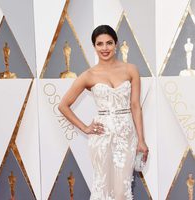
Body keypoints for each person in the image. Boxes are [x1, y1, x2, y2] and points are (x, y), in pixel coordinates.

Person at [58, 25, 149, 200]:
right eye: (100, 44)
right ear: (94, 47)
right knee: (103, 187)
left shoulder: (131, 69)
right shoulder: (88, 75)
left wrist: (141, 140)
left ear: (116, 44)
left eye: (109, 43)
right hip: (101, 136)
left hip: (126, 136)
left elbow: (136, 105)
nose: (105, 48)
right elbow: (63, 105)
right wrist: (85, 128)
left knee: (122, 190)